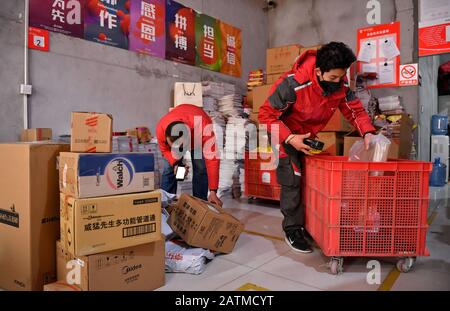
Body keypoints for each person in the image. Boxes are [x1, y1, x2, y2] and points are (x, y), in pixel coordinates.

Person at [258, 42, 376, 253]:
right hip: (282, 132)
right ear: (319, 72)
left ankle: (310, 223)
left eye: (341, 77)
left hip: (306, 134)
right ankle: (292, 229)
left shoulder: (340, 86)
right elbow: (265, 115)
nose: (338, 82)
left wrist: (367, 131)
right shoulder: (292, 84)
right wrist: (290, 137)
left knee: (312, 176)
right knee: (292, 177)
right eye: (333, 78)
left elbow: (355, 111)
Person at [156, 104, 223, 206]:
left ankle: (199, 205)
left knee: (200, 168)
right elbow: (165, 150)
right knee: (169, 170)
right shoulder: (161, 128)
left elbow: (212, 159)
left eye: (181, 147)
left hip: (197, 134)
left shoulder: (204, 129)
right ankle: (165, 205)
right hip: (183, 119)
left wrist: (213, 191)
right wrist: (175, 163)